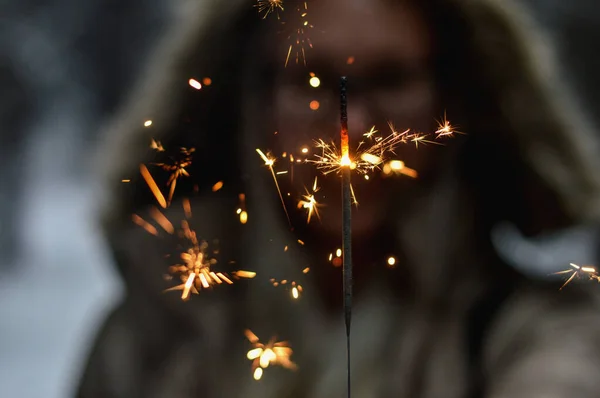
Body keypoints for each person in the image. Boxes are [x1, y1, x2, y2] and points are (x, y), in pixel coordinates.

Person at [77, 0, 600, 397]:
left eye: (392, 79)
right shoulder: (158, 331)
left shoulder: (533, 332)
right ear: (253, 101)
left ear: (456, 101)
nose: (356, 128)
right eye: (312, 80)